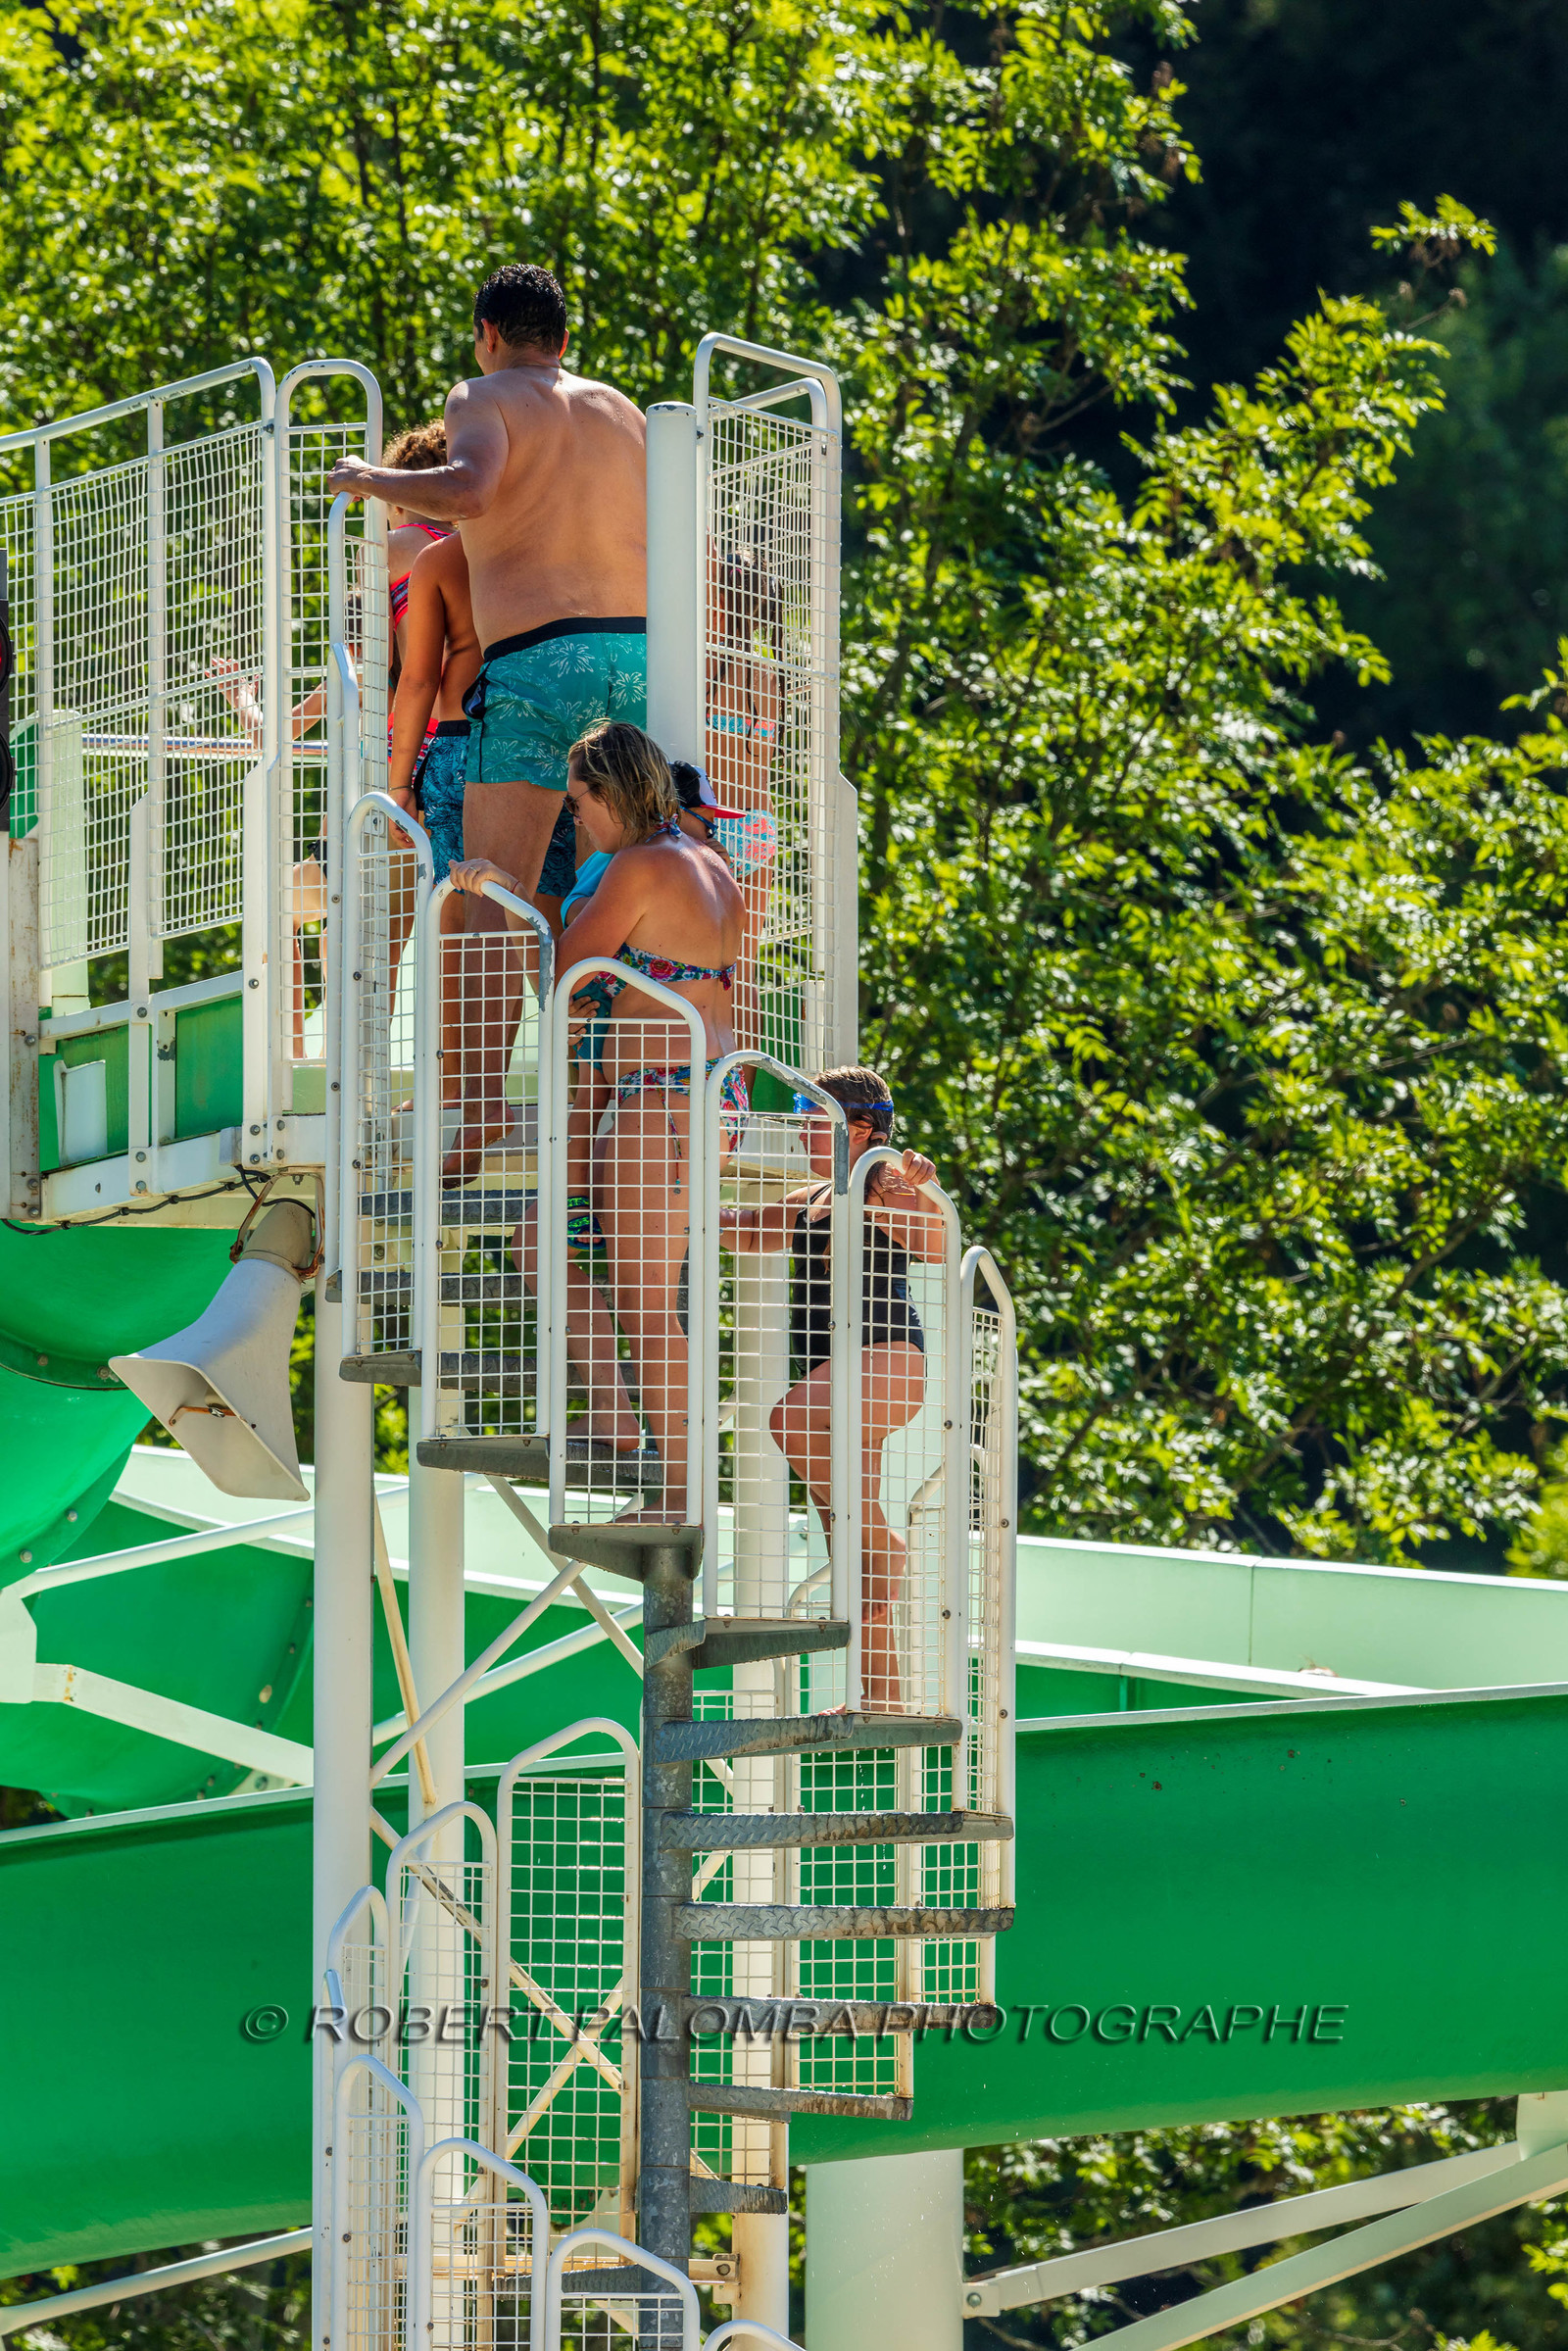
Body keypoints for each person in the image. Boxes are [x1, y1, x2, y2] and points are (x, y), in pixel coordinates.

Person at [326, 264, 648, 1168]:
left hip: (541, 662)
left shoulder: (484, 395)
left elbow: (468, 490)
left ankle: (474, 1113)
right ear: (565, 341)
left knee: (486, 896)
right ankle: (599, 1100)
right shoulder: (622, 410)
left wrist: (369, 477)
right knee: (603, 893)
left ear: (487, 334)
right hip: (640, 661)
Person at [449, 721, 744, 1519]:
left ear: (612, 792)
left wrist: (503, 892)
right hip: (696, 1096)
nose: (575, 817)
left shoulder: (641, 866)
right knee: (551, 1242)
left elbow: (561, 974)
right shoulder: (713, 866)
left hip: (661, 1101)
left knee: (648, 1308)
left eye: (579, 802)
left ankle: (680, 1496)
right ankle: (623, 1423)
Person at [719, 1067, 946, 1712]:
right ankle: (883, 1694)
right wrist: (675, 1192)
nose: (799, 1126)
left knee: (788, 1421)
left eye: (809, 1111)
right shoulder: (812, 1196)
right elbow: (741, 1229)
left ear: (860, 1128)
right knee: (844, 1542)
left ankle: (887, 1544)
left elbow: (934, 1244)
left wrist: (923, 1188)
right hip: (836, 1376)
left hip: (885, 1361)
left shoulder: (885, 1182)